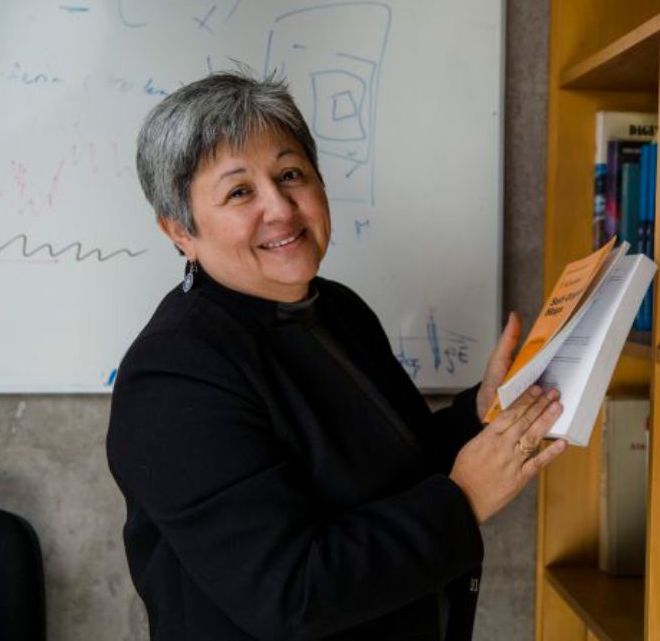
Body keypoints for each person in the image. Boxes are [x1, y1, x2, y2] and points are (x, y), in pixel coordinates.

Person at [105, 72, 567, 641]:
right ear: (180, 230)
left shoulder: (337, 308)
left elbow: (395, 470)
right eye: (240, 192)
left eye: (290, 174)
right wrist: (464, 499)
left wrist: (481, 411)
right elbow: (290, 593)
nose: (280, 208)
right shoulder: (174, 374)